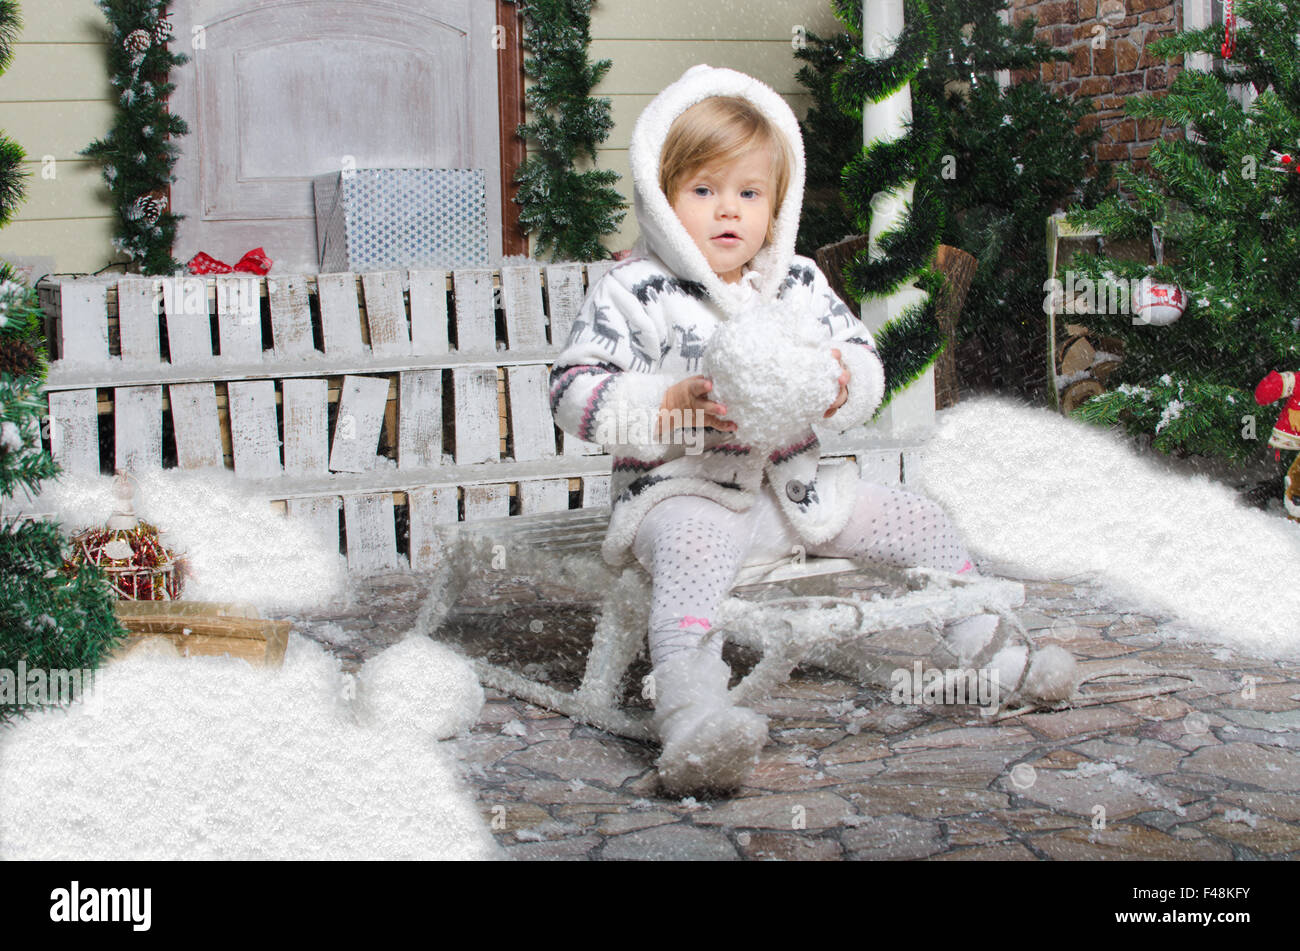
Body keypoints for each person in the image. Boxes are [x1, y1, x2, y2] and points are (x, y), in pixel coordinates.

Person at [550, 65, 1067, 795]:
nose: (728, 211)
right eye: (703, 191)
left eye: (749, 193)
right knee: (693, 560)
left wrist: (831, 383)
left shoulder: (796, 282)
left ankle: (993, 649)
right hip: (681, 494)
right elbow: (573, 389)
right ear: (661, 199)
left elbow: (861, 359)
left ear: (776, 203)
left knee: (918, 520)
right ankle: (693, 714)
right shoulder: (633, 290)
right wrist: (666, 403)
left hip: (801, 490)